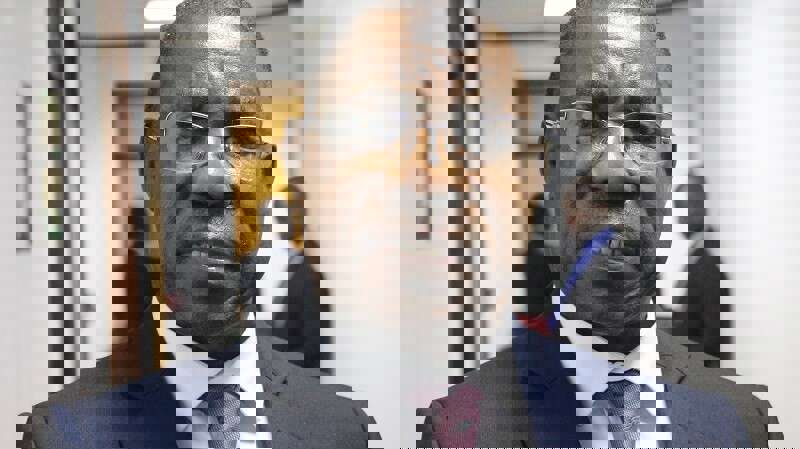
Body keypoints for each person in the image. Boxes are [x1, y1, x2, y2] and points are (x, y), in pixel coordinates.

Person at [418, 0, 775, 447]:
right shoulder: (461, 431)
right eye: (587, 124)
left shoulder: (741, 424)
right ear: (549, 163)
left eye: (641, 129)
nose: (615, 169)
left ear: (668, 170)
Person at [19, 1, 375, 448]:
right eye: (188, 133)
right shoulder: (63, 436)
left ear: (267, 178)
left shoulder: (339, 430)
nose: (215, 178)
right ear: (150, 169)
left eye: (242, 136)